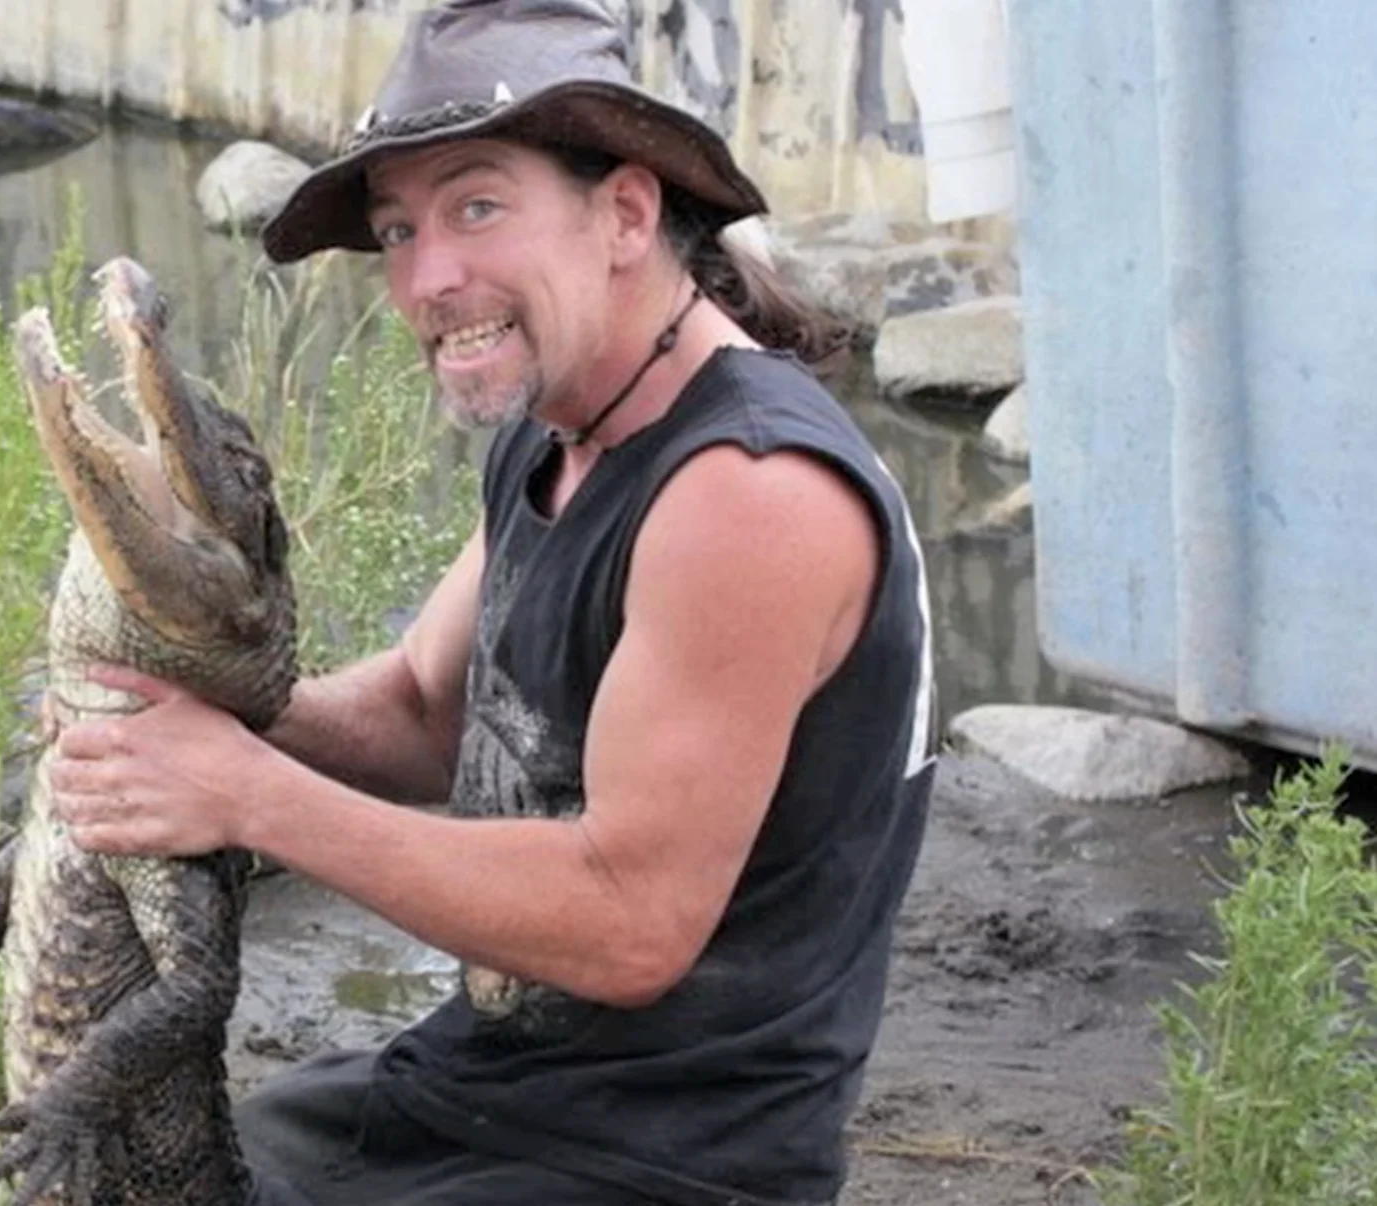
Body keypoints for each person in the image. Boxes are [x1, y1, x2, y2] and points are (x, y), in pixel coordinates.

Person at [46, 0, 939, 1201]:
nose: (429, 276)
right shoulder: (561, 426)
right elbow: (425, 708)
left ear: (624, 212)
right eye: (398, 230)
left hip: (671, 1158)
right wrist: (186, 716)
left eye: (476, 206)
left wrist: (246, 794)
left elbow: (630, 921)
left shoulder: (748, 494)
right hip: (481, 1087)